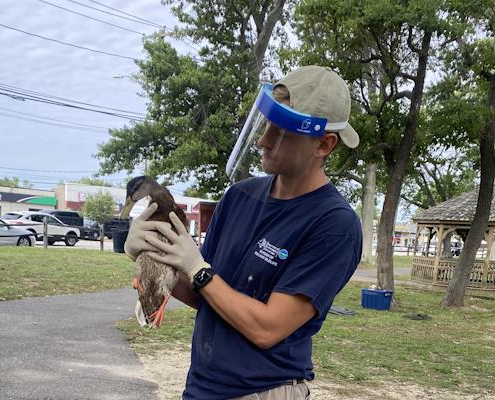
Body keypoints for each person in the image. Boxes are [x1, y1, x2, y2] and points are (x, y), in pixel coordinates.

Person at [125, 65, 363, 400]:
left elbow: (266, 329)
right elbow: (205, 295)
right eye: (266, 125)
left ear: (323, 144)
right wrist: (148, 257)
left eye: (281, 133)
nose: (263, 140)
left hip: (263, 392)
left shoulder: (334, 226)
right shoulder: (239, 197)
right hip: (201, 388)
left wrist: (198, 270)